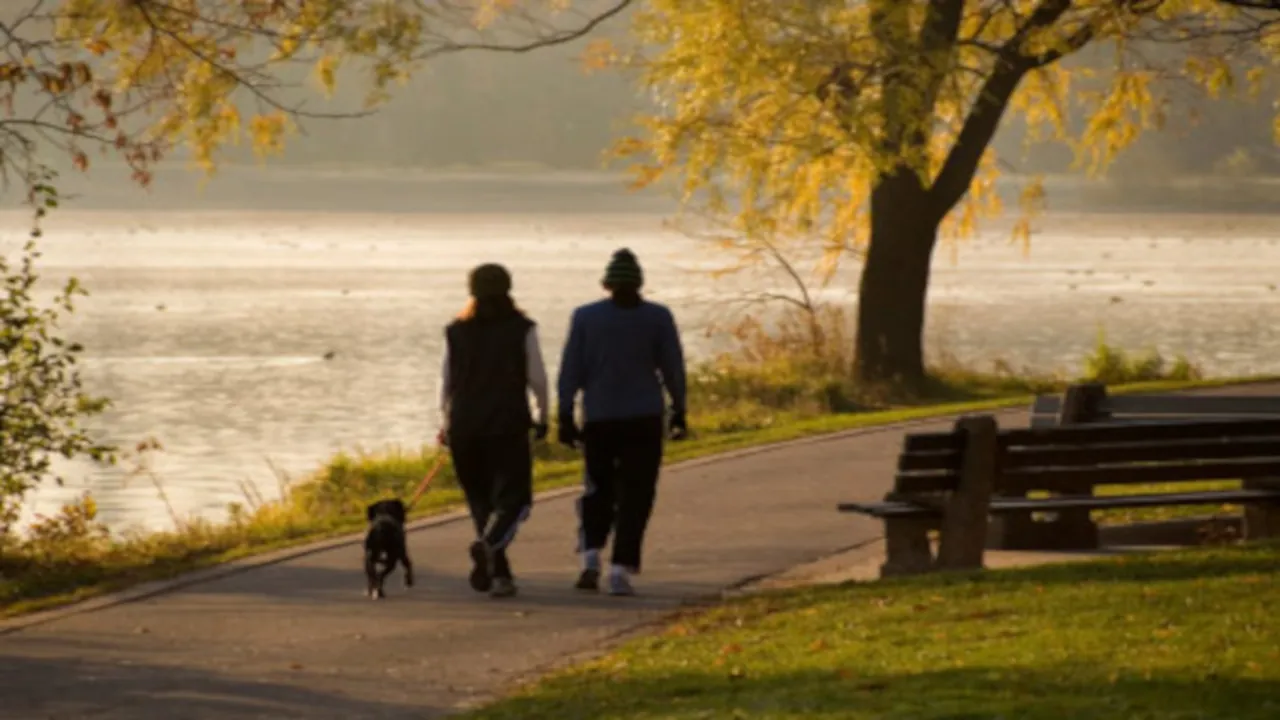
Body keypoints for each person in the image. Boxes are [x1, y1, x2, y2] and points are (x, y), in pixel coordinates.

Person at [557, 248, 688, 597]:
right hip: (644, 417)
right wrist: (679, 408)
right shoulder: (658, 317)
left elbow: (571, 368)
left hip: (599, 417)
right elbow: (672, 367)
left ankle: (589, 555)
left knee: (597, 489)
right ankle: (620, 568)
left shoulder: (585, 317)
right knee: (637, 493)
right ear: (638, 284)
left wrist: (565, 413)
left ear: (607, 284)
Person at [437, 263, 549, 599]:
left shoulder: (456, 331)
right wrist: (543, 415)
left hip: (464, 424)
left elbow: (447, 381)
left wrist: (445, 422)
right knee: (515, 499)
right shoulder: (522, 328)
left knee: (480, 501)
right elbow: (537, 377)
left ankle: (499, 574)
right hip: (507, 423)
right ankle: (490, 545)